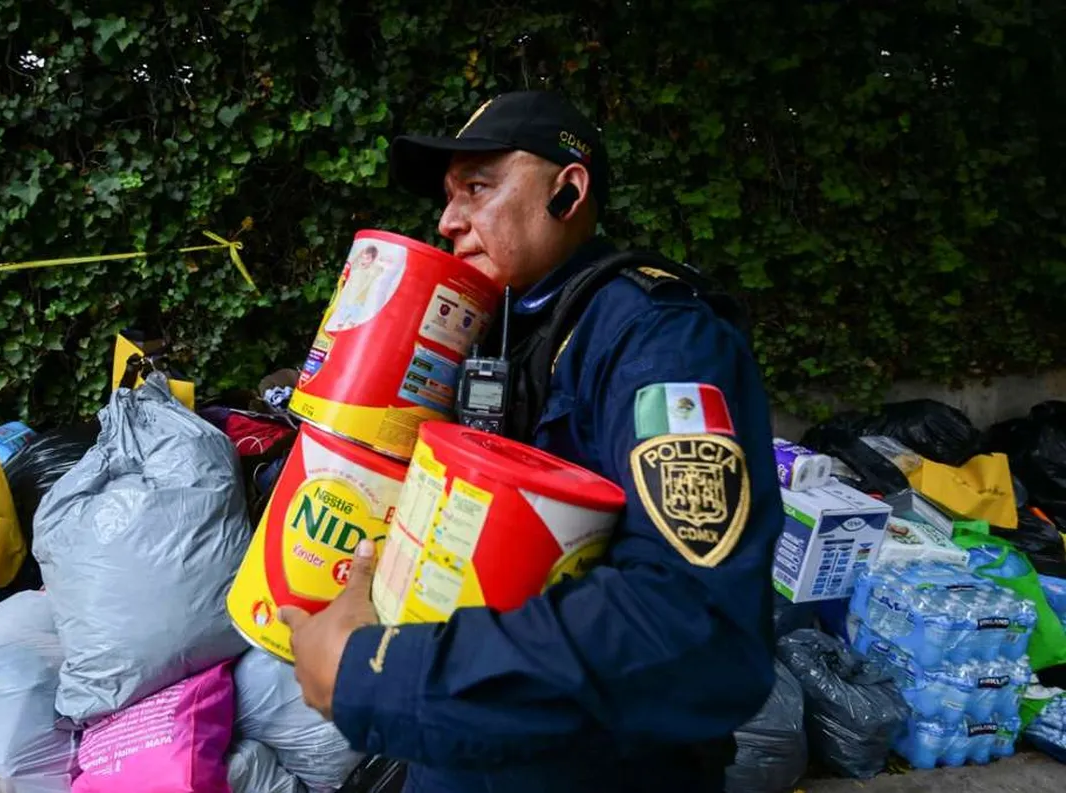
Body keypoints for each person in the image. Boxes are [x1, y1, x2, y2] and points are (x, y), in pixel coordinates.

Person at [279, 90, 784, 793]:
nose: (448, 220)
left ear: (567, 192)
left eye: (478, 188)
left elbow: (697, 628)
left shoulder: (665, 342)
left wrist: (385, 677)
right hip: (464, 747)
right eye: (450, 197)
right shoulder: (487, 321)